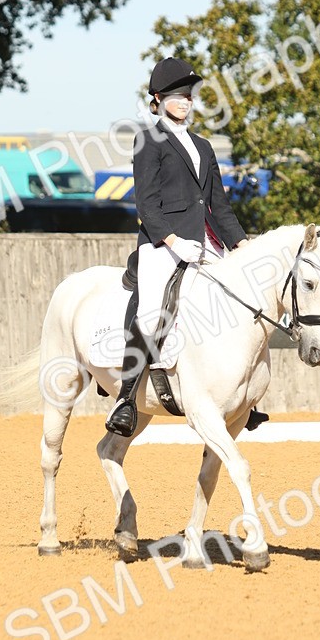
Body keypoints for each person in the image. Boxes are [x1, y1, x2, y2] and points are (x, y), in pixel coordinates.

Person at [105, 57, 249, 437]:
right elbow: (146, 203)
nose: (186, 100)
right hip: (162, 242)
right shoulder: (149, 140)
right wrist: (171, 240)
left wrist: (241, 245)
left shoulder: (202, 144)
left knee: (238, 300)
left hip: (205, 241)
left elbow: (218, 203)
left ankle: (243, 398)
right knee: (153, 308)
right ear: (158, 98)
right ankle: (126, 396)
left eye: (189, 95)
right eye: (177, 95)